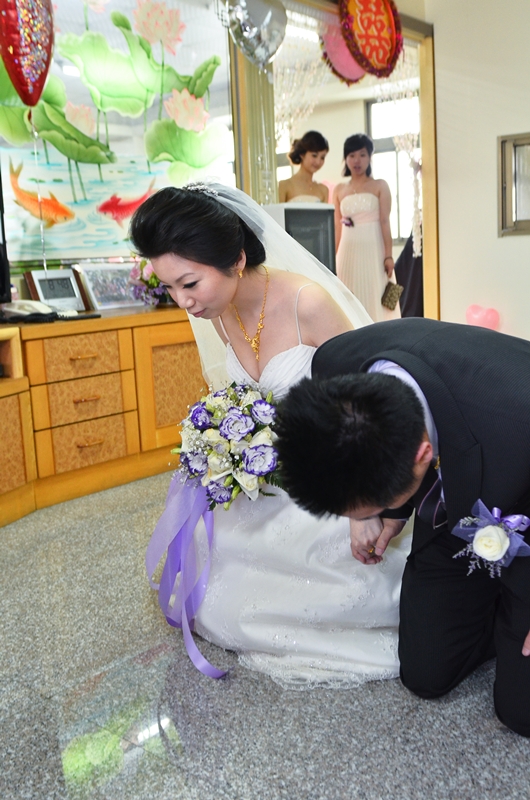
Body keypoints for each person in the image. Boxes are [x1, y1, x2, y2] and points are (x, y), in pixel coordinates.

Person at [130, 183, 413, 688]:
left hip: (339, 466)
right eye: (169, 288)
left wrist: (363, 504)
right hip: (275, 475)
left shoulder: (308, 302)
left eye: (189, 283)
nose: (183, 302)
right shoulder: (219, 312)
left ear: (237, 259)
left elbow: (369, 404)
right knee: (214, 551)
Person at [275, 317, 530, 735]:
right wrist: (371, 514)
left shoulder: (517, 414)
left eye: (373, 505)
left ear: (423, 454)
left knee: (520, 713)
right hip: (458, 512)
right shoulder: (333, 368)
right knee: (426, 673)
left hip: (522, 502)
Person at [334, 133, 401, 322]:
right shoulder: (339, 190)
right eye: (352, 155)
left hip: (374, 249)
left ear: (370, 157)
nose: (357, 160)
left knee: (377, 295)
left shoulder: (380, 185)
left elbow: (385, 221)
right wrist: (332, 259)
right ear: (345, 159)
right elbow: (337, 227)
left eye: (362, 155)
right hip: (348, 250)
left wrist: (388, 255)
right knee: (348, 293)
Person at [278, 131, 330, 203]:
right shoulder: (285, 185)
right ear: (302, 154)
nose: (318, 162)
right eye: (314, 155)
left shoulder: (323, 190)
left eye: (322, 157)